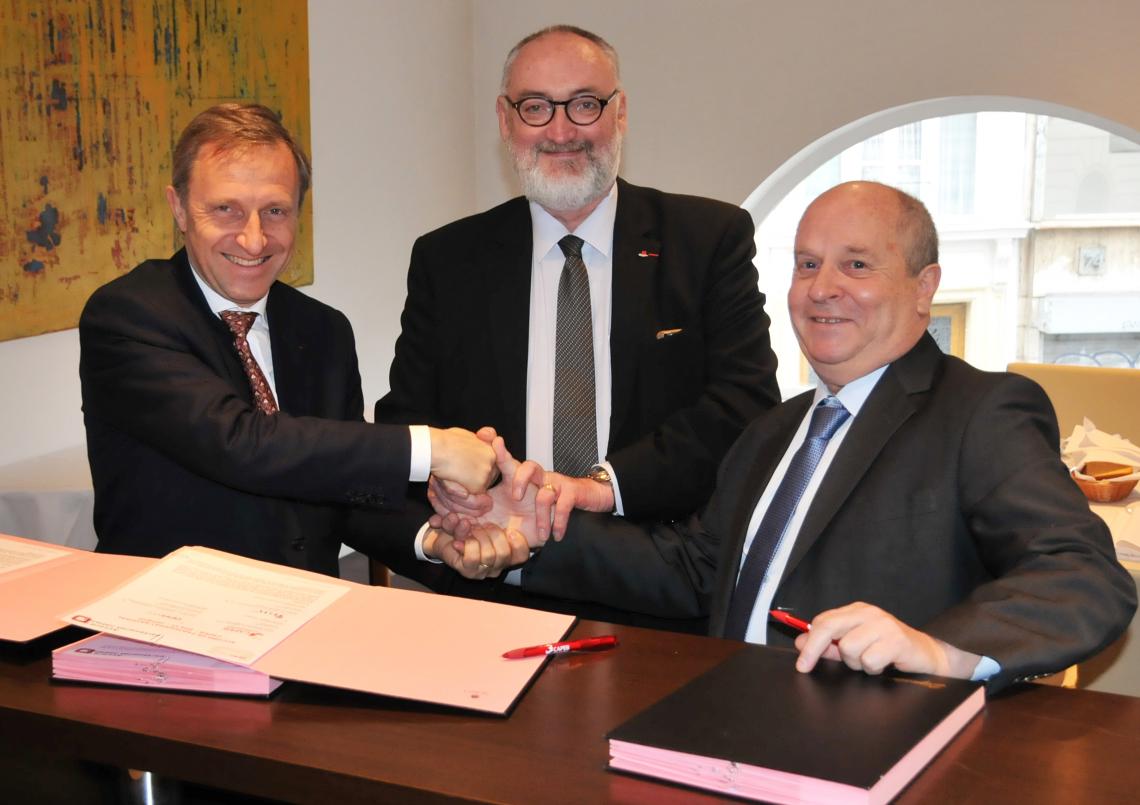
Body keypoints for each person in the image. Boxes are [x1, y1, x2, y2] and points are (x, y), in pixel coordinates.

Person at [433, 181, 1137, 690]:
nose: (822, 287)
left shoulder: (981, 411)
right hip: (732, 729)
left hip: (882, 755)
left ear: (925, 287)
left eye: (856, 264)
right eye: (807, 263)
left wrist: (938, 650)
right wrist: (534, 531)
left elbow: (1084, 575)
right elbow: (694, 569)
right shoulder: (773, 431)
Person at [369, 25, 780, 628]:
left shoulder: (707, 239)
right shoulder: (447, 259)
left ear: (620, 113)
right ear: (505, 120)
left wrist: (603, 486)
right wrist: (447, 488)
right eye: (536, 107)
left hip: (660, 595)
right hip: (494, 596)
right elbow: (407, 424)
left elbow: (745, 407)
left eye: (585, 104)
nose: (561, 132)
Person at [79, 103, 496, 577]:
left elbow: (341, 488)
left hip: (309, 608)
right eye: (226, 210)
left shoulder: (322, 329)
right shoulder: (129, 315)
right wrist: (432, 449)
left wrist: (434, 540)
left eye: (275, 211)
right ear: (179, 208)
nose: (254, 240)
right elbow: (241, 443)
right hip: (172, 610)